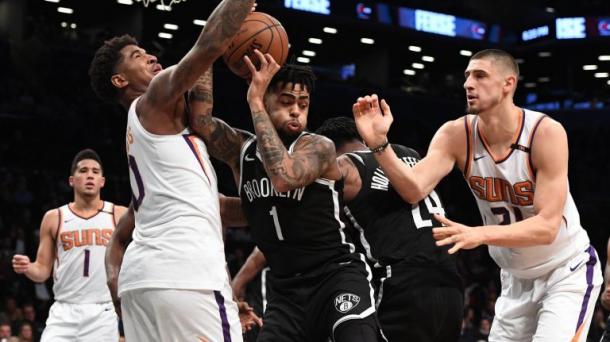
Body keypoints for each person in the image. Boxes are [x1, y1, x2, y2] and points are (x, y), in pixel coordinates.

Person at [352, 48, 602, 341]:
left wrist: (479, 234)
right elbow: (413, 189)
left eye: (480, 75)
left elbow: (547, 227)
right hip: (514, 279)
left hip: (564, 270)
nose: (468, 84)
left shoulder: (545, 133)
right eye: (467, 76)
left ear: (508, 83)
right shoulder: (455, 134)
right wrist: (380, 144)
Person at [88, 0, 255, 340]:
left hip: (143, 284)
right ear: (120, 80)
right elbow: (208, 46)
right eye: (137, 56)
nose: (150, 57)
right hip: (187, 276)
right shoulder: (151, 102)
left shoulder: (156, 144)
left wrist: (271, 206)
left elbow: (217, 207)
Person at [189, 50, 380, 341]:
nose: (296, 111)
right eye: (286, 102)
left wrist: (255, 102)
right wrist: (212, 47)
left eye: (303, 104)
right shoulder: (241, 150)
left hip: (335, 277)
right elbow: (200, 121)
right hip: (285, 291)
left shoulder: (318, 146)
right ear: (267, 99)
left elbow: (283, 178)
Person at [315, 116, 463, 341]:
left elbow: (303, 217)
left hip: (402, 284)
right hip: (450, 284)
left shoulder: (345, 166)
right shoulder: (410, 154)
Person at [12, 149, 126, 342]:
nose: (89, 175)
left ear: (102, 181)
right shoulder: (54, 217)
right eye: (83, 170)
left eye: (95, 171)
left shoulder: (118, 214)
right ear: (72, 180)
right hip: (63, 311)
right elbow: (42, 270)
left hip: (102, 311)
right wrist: (27, 267)